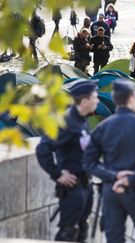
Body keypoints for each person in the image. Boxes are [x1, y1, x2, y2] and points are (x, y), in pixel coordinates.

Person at [83, 80, 135, 243]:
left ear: (114, 99)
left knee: (114, 238)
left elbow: (89, 163)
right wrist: (129, 179)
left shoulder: (101, 128)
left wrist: (114, 176)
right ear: (132, 98)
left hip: (111, 191)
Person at [36, 80, 99, 242]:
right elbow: (43, 149)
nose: (97, 101)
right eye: (95, 97)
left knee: (82, 228)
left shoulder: (82, 118)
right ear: (84, 102)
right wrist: (57, 174)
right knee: (68, 232)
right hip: (73, 187)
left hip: (85, 183)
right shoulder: (66, 121)